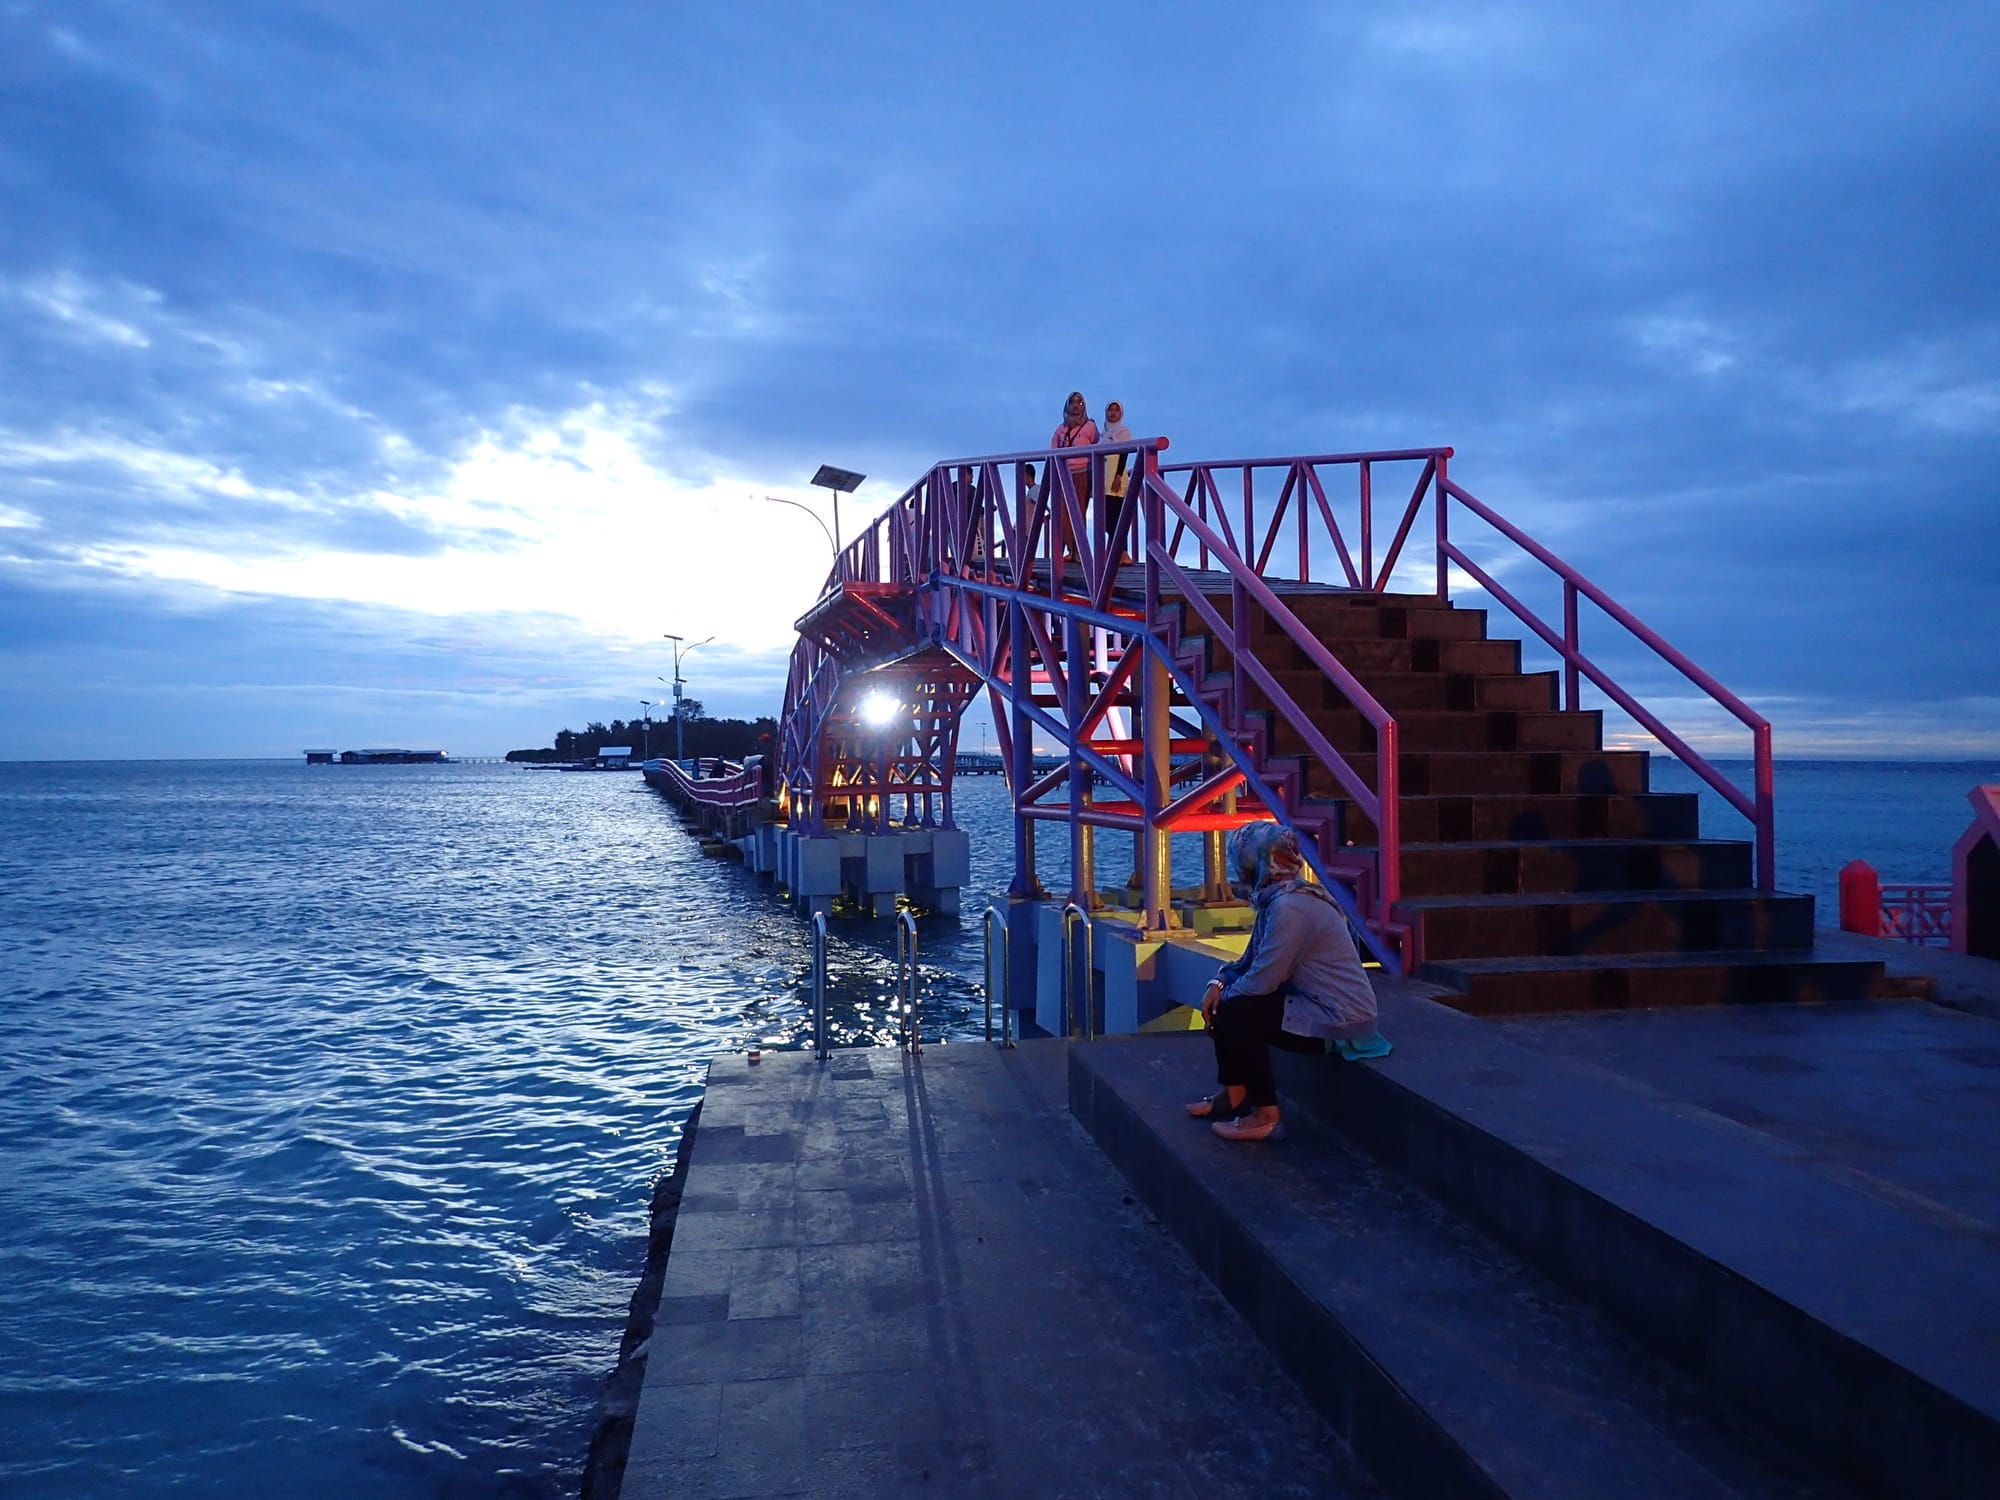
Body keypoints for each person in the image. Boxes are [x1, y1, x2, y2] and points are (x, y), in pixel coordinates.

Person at [1189, 822, 1388, 1142]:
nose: (1239, 868)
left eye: (1243, 860)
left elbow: (1263, 981)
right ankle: (1235, 1096)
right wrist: (1218, 983)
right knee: (1231, 1004)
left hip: (1340, 1019)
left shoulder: (1290, 907)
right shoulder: (1278, 898)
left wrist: (1225, 1003)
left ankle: (1265, 1114)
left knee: (1239, 1011)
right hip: (1313, 1004)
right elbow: (1247, 963)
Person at [1099, 400, 1133, 561]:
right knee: (1105, 518)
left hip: (1115, 479)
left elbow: (1124, 453)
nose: (1113, 413)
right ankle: (1115, 552)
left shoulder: (1122, 431)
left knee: (1116, 516)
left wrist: (1118, 476)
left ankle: (1123, 552)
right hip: (1103, 479)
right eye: (1110, 410)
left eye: (1116, 410)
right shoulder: (1103, 433)